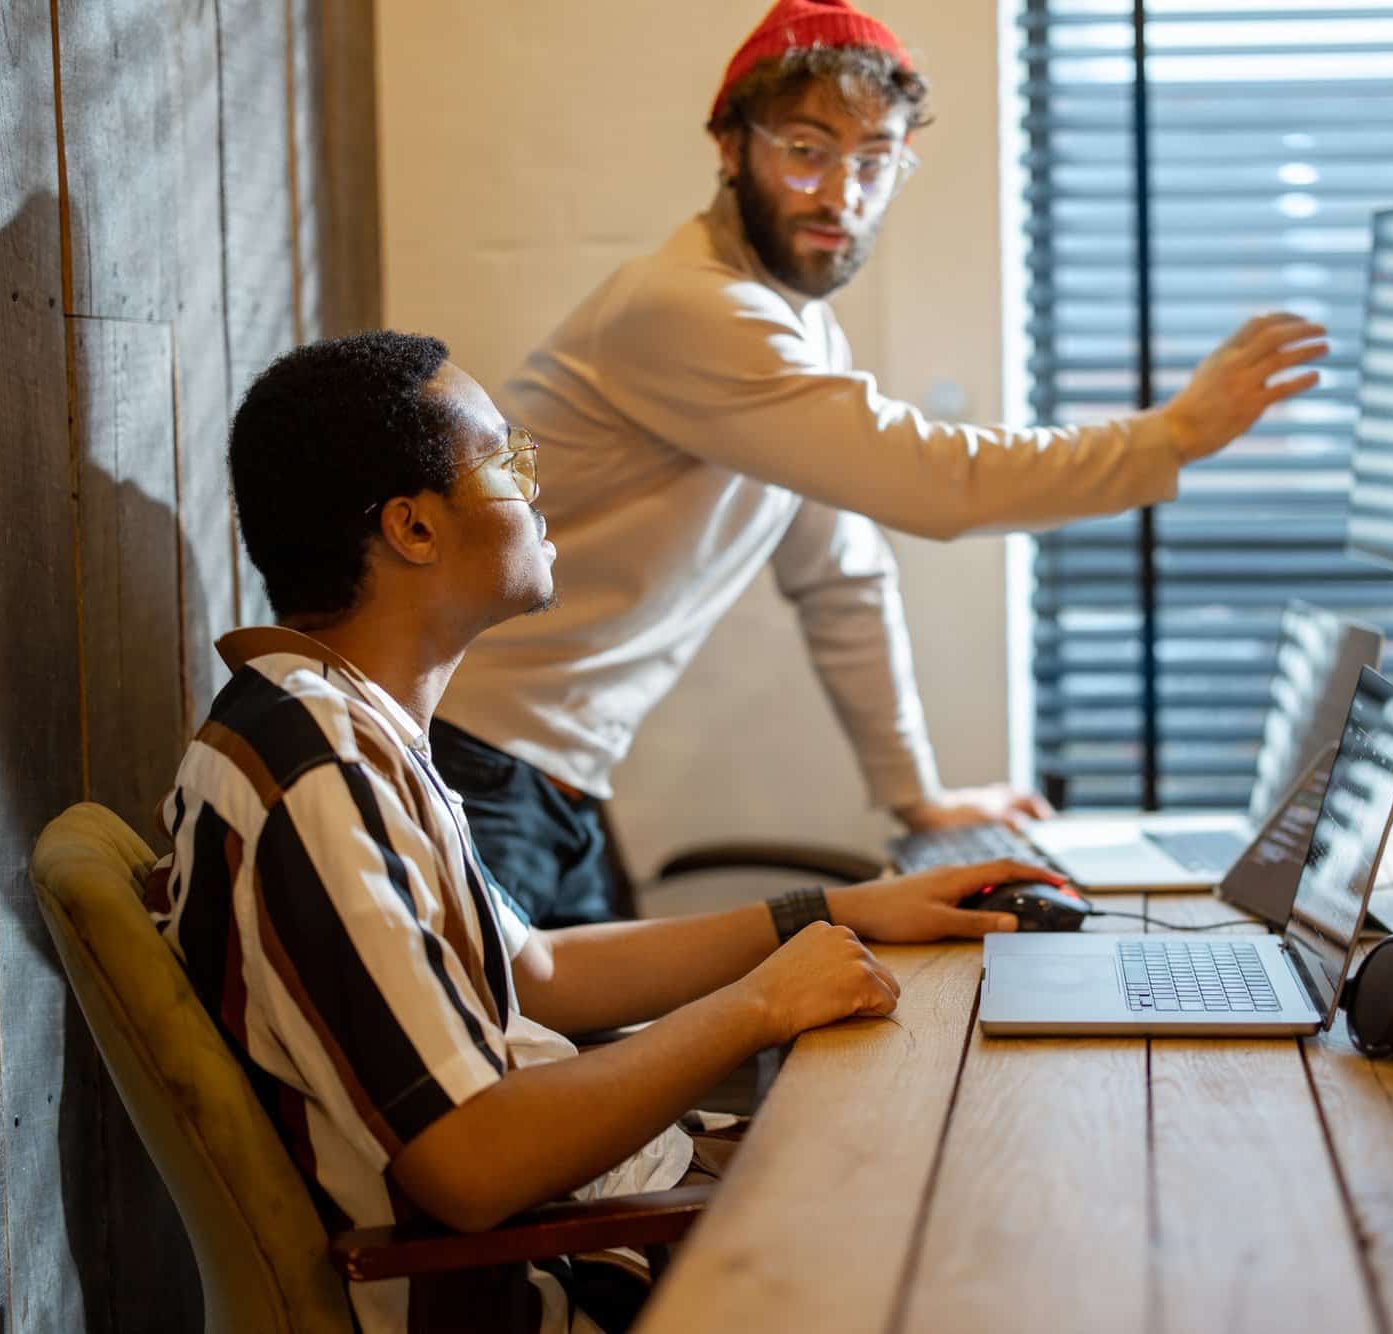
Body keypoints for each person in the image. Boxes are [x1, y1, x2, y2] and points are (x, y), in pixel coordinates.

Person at [151, 331, 1057, 1333]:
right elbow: (471, 1162)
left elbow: (535, 969)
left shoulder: (342, 726)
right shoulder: (321, 772)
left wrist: (840, 908)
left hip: (604, 1219)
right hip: (546, 1288)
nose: (537, 489)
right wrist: (758, 1004)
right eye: (507, 461)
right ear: (411, 527)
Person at [434, 0, 1329, 928]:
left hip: (547, 770)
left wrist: (918, 801)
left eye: (874, 162)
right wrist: (1173, 435)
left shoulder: (790, 325)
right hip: (476, 756)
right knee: (533, 1069)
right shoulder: (686, 307)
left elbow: (840, 577)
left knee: (594, 1052)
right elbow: (935, 479)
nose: (842, 195)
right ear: (731, 146)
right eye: (807, 150)